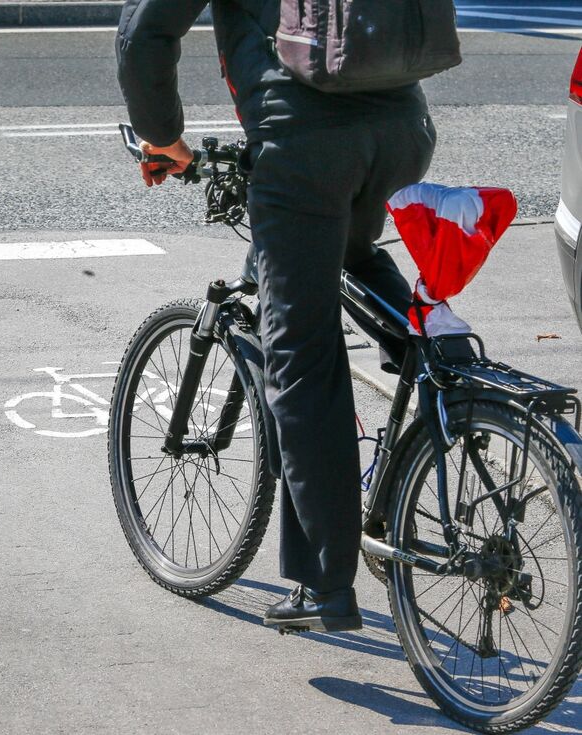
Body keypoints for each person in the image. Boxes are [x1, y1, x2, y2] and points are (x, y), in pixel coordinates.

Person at [116, 0, 436, 632]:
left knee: (302, 359)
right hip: (404, 127)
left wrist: (163, 138)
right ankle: (446, 376)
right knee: (346, 251)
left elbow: (146, 32)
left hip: (304, 145)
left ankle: (326, 586)